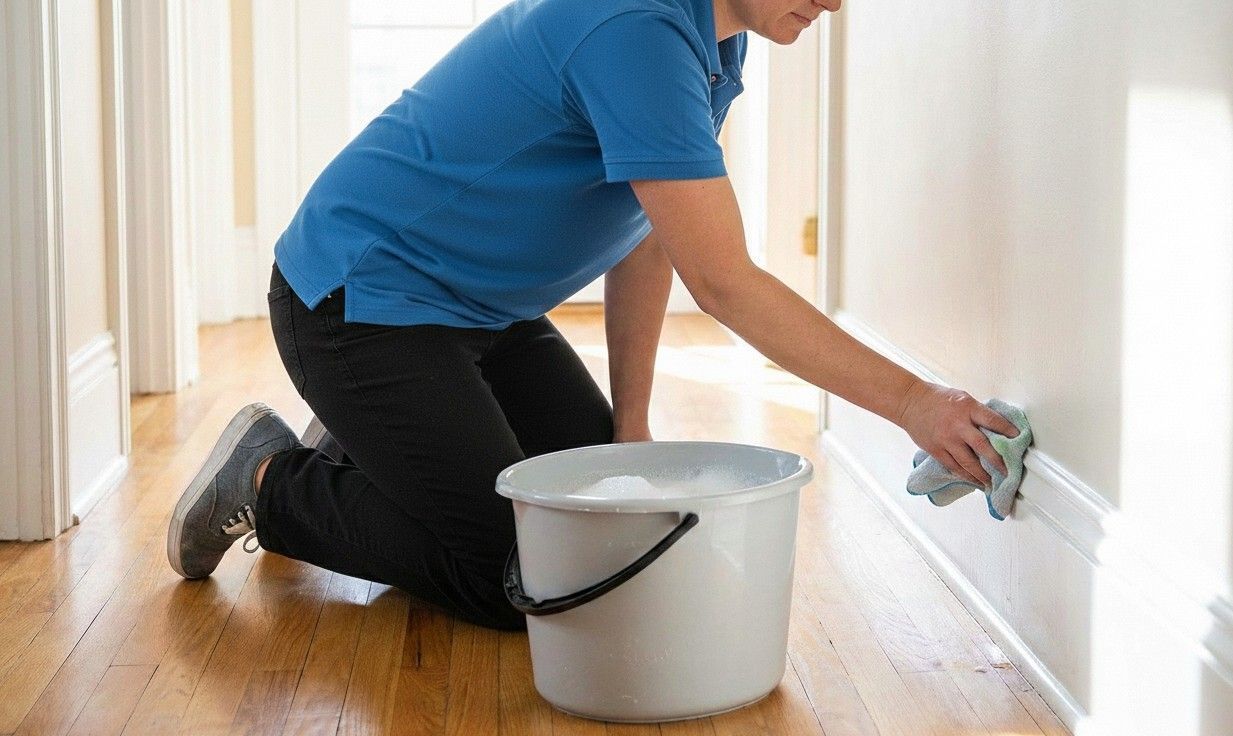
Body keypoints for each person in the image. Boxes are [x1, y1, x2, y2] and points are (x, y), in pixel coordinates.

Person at [166, 0, 1018, 631]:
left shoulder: (709, 41)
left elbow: (650, 233)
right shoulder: (637, 30)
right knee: (529, 578)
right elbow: (721, 282)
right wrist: (913, 403)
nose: (836, 2)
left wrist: (632, 423)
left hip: (482, 315)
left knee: (601, 512)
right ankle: (274, 483)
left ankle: (365, 438)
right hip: (362, 307)